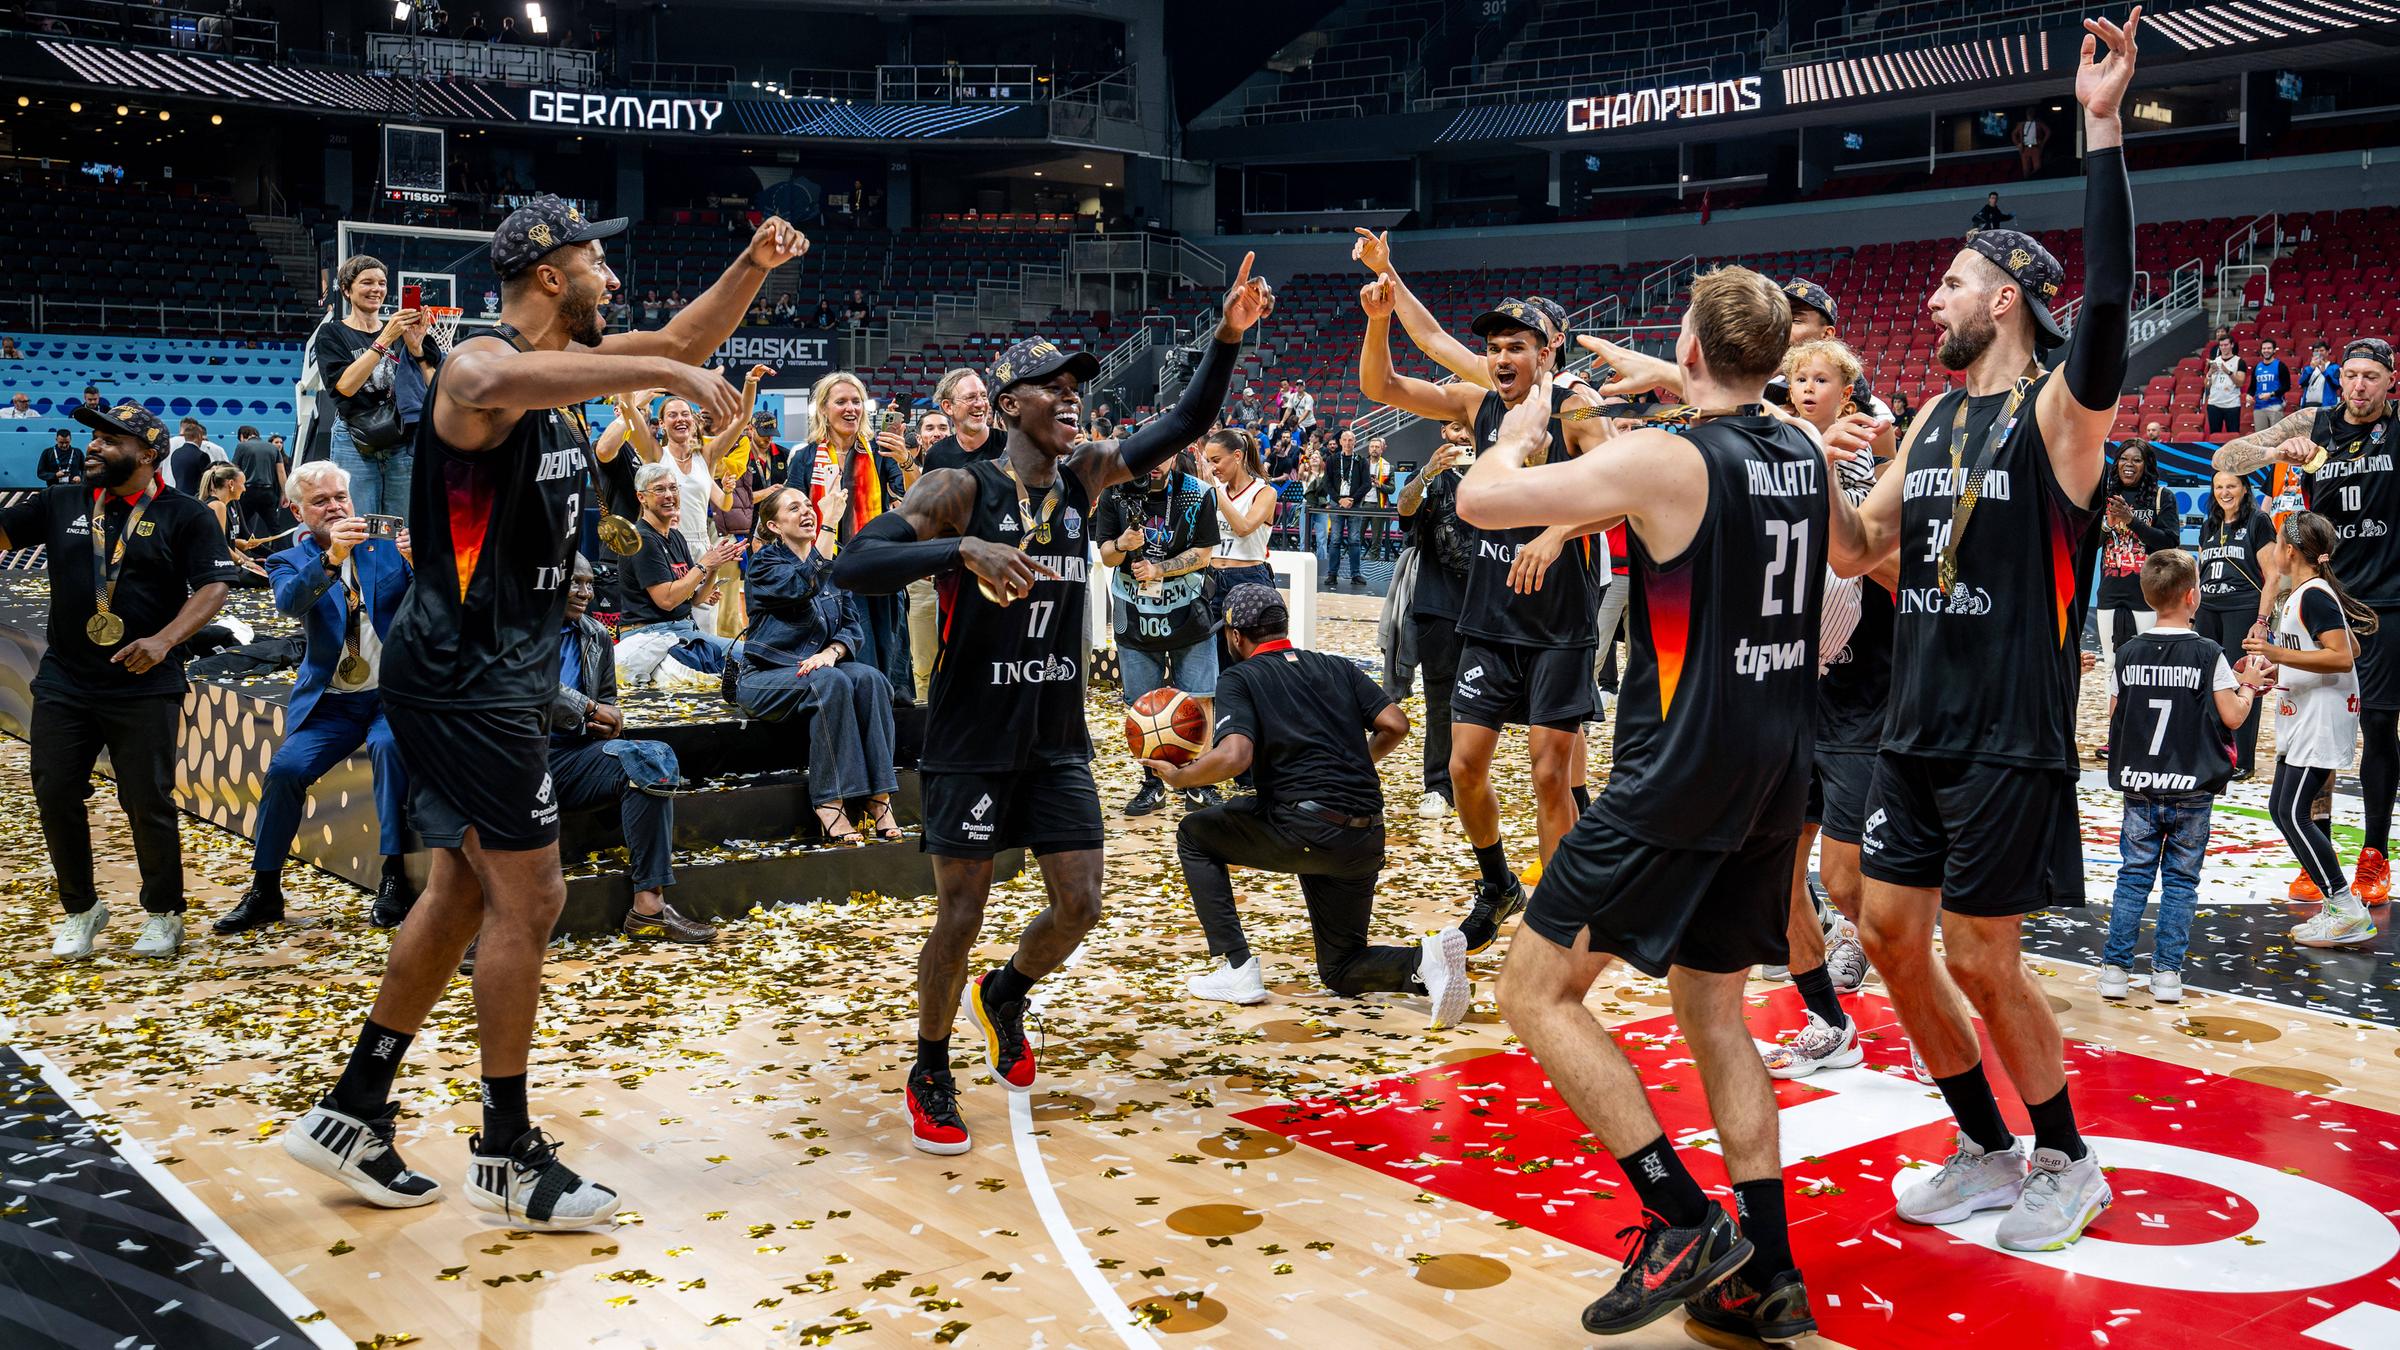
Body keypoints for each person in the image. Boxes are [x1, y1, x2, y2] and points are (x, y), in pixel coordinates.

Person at [276, 196, 805, 1231]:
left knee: (460, 896)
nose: (614, 277)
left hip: (488, 675)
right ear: (551, 275)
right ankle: (507, 1153)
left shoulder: (568, 369)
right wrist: (662, 377)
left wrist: (751, 264)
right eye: (597, 261)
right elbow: (489, 380)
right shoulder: (481, 365)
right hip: (466, 678)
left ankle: (351, 1110)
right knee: (533, 899)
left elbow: (679, 342)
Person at [1457, 267, 1840, 1340]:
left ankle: (1679, 1218)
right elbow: (1838, 531)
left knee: (1535, 992)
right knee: (1714, 1013)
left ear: (1694, 349)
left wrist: (1518, 432)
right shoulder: (1804, 449)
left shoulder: (1669, 460)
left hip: (1681, 770)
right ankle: (1770, 1274)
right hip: (1779, 765)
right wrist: (1675, 377)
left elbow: (1481, 501)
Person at [829, 256, 1272, 1156]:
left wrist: (1227, 335)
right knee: (961, 912)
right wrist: (959, 552)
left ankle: (1004, 995)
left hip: (1056, 737)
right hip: (971, 738)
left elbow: (1187, 421)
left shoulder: (1087, 477)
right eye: (1054, 388)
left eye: (1078, 388)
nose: (1073, 398)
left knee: (1080, 905)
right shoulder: (962, 489)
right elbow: (854, 563)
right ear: (1010, 405)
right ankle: (930, 1067)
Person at [1835, 10, 2143, 1256]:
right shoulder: (1926, 425)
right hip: (1915, 724)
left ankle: (2069, 1159)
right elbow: (1858, 549)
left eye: (1953, 282)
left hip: (2009, 733)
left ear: (2005, 298)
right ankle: (1984, 1145)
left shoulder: (2061, 417)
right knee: (1886, 934)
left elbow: (2111, 299)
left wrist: (2101, 130)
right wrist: (1805, 456)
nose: (1932, 296)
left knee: (1980, 953)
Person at [1358, 287, 1606, 956]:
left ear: (1546, 353)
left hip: (1558, 624)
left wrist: (1557, 534)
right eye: (1493, 348)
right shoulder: (1478, 404)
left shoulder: (1578, 410)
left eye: (1514, 347)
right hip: (1490, 618)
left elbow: (1621, 498)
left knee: (1550, 774)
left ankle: (1557, 919)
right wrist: (1380, 315)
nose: (1500, 357)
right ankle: (1498, 884)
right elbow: (1382, 384)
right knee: (1464, 766)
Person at [1146, 583, 1469, 1021]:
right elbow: (1395, 724)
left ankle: (1237, 967)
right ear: (1283, 626)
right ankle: (1424, 961)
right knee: (1340, 969)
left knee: (1194, 833)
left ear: (1235, 636)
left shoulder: (1240, 678)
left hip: (1306, 828)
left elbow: (1235, 755)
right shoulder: (1336, 666)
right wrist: (1354, 760)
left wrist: (1181, 777)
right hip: (1365, 835)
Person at [3, 403, 237, 960]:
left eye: (110, 440)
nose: (94, 446)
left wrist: (165, 641)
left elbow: (214, 587)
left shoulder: (186, 514)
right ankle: (81, 909)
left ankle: (163, 912)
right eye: (95, 437)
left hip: (144, 681)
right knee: (55, 791)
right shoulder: (62, 501)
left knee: (145, 799)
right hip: (66, 679)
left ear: (147, 454)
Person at [2215, 337, 2400, 902]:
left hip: (2388, 599)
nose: (2360, 385)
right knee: (2313, 728)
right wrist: (2279, 451)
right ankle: (2318, 850)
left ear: (2390, 381)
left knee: (2379, 726)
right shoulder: (2315, 423)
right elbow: (2227, 460)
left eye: (2371, 376)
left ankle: (2374, 855)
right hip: (2325, 595)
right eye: (2352, 375)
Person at [219, 461, 414, 934]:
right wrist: (331, 559)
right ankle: (265, 889)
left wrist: (421, 564)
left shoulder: (388, 548)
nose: (335, 508)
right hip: (333, 703)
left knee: (389, 748)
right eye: (320, 501)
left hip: (393, 696)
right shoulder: (288, 560)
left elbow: (437, 603)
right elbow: (290, 602)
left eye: (340, 497)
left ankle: (394, 877)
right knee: (285, 771)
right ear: (297, 511)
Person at [2099, 550, 2249, 1002]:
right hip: (2191, 785)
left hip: (2140, 783)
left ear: (2147, 596)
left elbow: (2116, 715)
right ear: (2193, 597)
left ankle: (2115, 969)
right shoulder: (2208, 653)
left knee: (2133, 876)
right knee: (2181, 882)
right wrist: (2249, 687)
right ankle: (2166, 973)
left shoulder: (2127, 652)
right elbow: (2233, 716)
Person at [551, 555, 716, 944]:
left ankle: (649, 908)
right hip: (519, 759)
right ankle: (485, 923)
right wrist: (588, 709)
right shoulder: (515, 632)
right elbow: (526, 688)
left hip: (575, 755)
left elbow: (608, 702)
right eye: (575, 583)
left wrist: (607, 719)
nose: (585, 593)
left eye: (590, 584)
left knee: (651, 758)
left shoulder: (595, 634)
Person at [735, 484, 902, 843]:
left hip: (818, 667)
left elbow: (851, 625)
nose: (807, 511)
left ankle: (879, 797)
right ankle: (829, 802)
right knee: (831, 681)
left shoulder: (830, 561)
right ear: (775, 526)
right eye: (794, 508)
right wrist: (828, 527)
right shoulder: (764, 564)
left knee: (871, 679)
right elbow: (803, 585)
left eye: (809, 505)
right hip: (765, 677)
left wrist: (832, 653)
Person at [2246, 511, 2380, 947]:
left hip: (2321, 719)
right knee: (2281, 809)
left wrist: (2277, 655)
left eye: (2277, 542)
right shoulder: (2306, 593)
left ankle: (2346, 908)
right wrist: (2275, 670)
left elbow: (2341, 657)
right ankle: (2336, 905)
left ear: (2288, 551)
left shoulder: (2313, 595)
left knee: (2293, 813)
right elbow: (2350, 645)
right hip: (2303, 714)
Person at [1097, 451, 1222, 816]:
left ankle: (1200, 783)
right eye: (1149, 453)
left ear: (1175, 455)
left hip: (1189, 614)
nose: (1156, 462)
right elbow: (1105, 554)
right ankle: (1152, 784)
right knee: (1143, 706)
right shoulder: (1115, 492)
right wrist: (1122, 545)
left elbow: (1203, 554)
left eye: (1164, 455)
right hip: (1134, 617)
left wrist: (1159, 570)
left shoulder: (1198, 492)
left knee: (1201, 699)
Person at [786, 371, 909, 690]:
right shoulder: (805, 457)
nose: (851, 408)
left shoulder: (879, 453)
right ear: (823, 409)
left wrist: (906, 461)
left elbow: (907, 497)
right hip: (824, 574)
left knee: (877, 656)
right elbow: (791, 510)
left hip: (873, 572)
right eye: (841, 401)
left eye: (856, 401)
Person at [314, 254, 444, 517]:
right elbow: (345, 387)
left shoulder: (404, 331)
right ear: (347, 290)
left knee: (403, 524)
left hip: (402, 437)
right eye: (367, 282)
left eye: (382, 283)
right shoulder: (332, 333)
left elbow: (435, 388)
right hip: (354, 437)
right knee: (358, 522)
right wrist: (384, 339)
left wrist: (417, 350)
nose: (376, 289)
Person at [1398, 419, 1472, 820]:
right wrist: (1428, 472)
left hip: (1488, 609)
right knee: (1440, 702)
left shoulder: (1502, 472)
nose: (1463, 436)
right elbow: (1404, 508)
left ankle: (1470, 780)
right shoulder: (1431, 477)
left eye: (1469, 427)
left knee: (1483, 706)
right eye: (1455, 428)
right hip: (1438, 605)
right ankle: (1438, 785)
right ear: (1444, 432)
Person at [619, 460, 746, 674]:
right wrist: (704, 564)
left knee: (751, 654)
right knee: (746, 657)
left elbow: (695, 599)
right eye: (660, 489)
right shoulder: (643, 539)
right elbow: (667, 600)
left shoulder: (676, 536)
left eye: (673, 488)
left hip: (683, 631)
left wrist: (715, 566)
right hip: (651, 635)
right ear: (642, 497)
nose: (669, 495)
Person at [2195, 469, 2279, 778]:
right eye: (2219, 486)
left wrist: (2262, 620)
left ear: (2245, 488)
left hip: (2242, 609)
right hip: (2208, 609)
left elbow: (2273, 576)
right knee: (2206, 680)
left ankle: (2243, 759)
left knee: (2242, 679)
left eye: (2231, 486)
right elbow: (2200, 573)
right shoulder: (2208, 525)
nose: (2224, 492)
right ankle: (2212, 750)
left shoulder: (2258, 521)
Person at [2094, 440, 2180, 680]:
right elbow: (2090, 544)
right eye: (2123, 458)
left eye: (2136, 460)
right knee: (2111, 663)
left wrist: (2132, 521)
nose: (2128, 464)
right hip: (2110, 591)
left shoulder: (2162, 496)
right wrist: (2107, 525)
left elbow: (2169, 542)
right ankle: (2114, 706)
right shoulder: (2105, 496)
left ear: (2146, 465)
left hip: (2149, 593)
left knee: (2148, 662)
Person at [1198, 427, 1277, 668]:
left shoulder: (1265, 492)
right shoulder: (1214, 490)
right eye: (1208, 462)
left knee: (1250, 656)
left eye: (1216, 460)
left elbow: (1244, 527)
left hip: (1249, 576)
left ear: (1237, 456)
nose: (1212, 468)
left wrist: (1214, 492)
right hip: (1212, 577)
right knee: (1211, 655)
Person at [199, 465, 270, 588]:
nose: (244, 489)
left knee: (267, 569)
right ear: (231, 484)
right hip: (212, 569)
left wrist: (249, 560)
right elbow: (220, 546)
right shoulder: (218, 506)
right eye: (242, 484)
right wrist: (243, 562)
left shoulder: (221, 505)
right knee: (269, 579)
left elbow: (228, 544)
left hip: (219, 565)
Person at [231, 423, 286, 537]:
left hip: (247, 492)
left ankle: (240, 547)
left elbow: (233, 470)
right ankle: (283, 547)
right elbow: (281, 472)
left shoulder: (242, 446)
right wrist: (285, 494)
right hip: (268, 493)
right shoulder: (273, 448)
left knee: (240, 526)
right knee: (275, 529)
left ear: (242, 436)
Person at [2247, 336, 2296, 432]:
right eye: (2264, 348)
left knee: (2276, 435)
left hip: (2275, 405)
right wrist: (2249, 395)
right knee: (2261, 436)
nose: (2266, 351)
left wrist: (2271, 394)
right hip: (2259, 407)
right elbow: (2252, 387)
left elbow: (2286, 386)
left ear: (2274, 350)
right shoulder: (2257, 367)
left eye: (2269, 348)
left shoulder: (2280, 366)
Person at [2204, 337, 2244, 434]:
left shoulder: (2239, 361)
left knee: (2233, 435)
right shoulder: (2214, 361)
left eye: (2226, 345)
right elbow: (2207, 385)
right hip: (2214, 403)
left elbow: (2240, 383)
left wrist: (2228, 372)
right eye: (2221, 345)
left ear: (2232, 345)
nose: (2223, 348)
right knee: (2214, 435)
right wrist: (2210, 372)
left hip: (2232, 404)